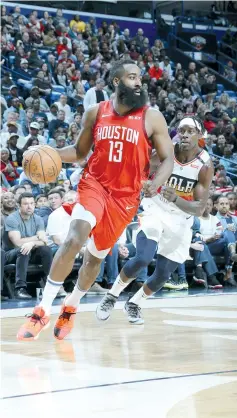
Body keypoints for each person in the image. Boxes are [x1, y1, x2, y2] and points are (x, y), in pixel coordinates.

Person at [17, 59, 174, 341]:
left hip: (125, 198)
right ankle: (42, 310)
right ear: (116, 82)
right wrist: (49, 151)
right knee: (75, 238)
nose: (139, 82)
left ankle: (71, 307)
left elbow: (168, 159)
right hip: (95, 184)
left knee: (94, 259)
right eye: (132, 77)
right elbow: (78, 152)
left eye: (140, 78)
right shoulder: (96, 112)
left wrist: (157, 182)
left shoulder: (152, 117)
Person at [96, 116, 214, 324]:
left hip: (181, 219)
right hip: (155, 209)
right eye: (181, 130)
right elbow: (136, 174)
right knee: (143, 257)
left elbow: (199, 208)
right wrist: (143, 184)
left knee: (163, 274)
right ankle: (111, 296)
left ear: (200, 135)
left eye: (190, 130)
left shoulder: (204, 165)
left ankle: (134, 303)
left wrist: (176, 199)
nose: (184, 134)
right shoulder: (162, 152)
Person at [3, 192, 54, 299]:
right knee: (24, 249)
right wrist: (36, 238)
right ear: (19, 206)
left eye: (31, 203)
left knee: (46, 249)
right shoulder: (12, 219)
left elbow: (44, 241)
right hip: (10, 254)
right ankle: (20, 288)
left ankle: (51, 285)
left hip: (30, 251)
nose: (29, 206)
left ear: (35, 205)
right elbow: (17, 243)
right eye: (25, 204)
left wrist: (32, 243)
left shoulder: (38, 219)